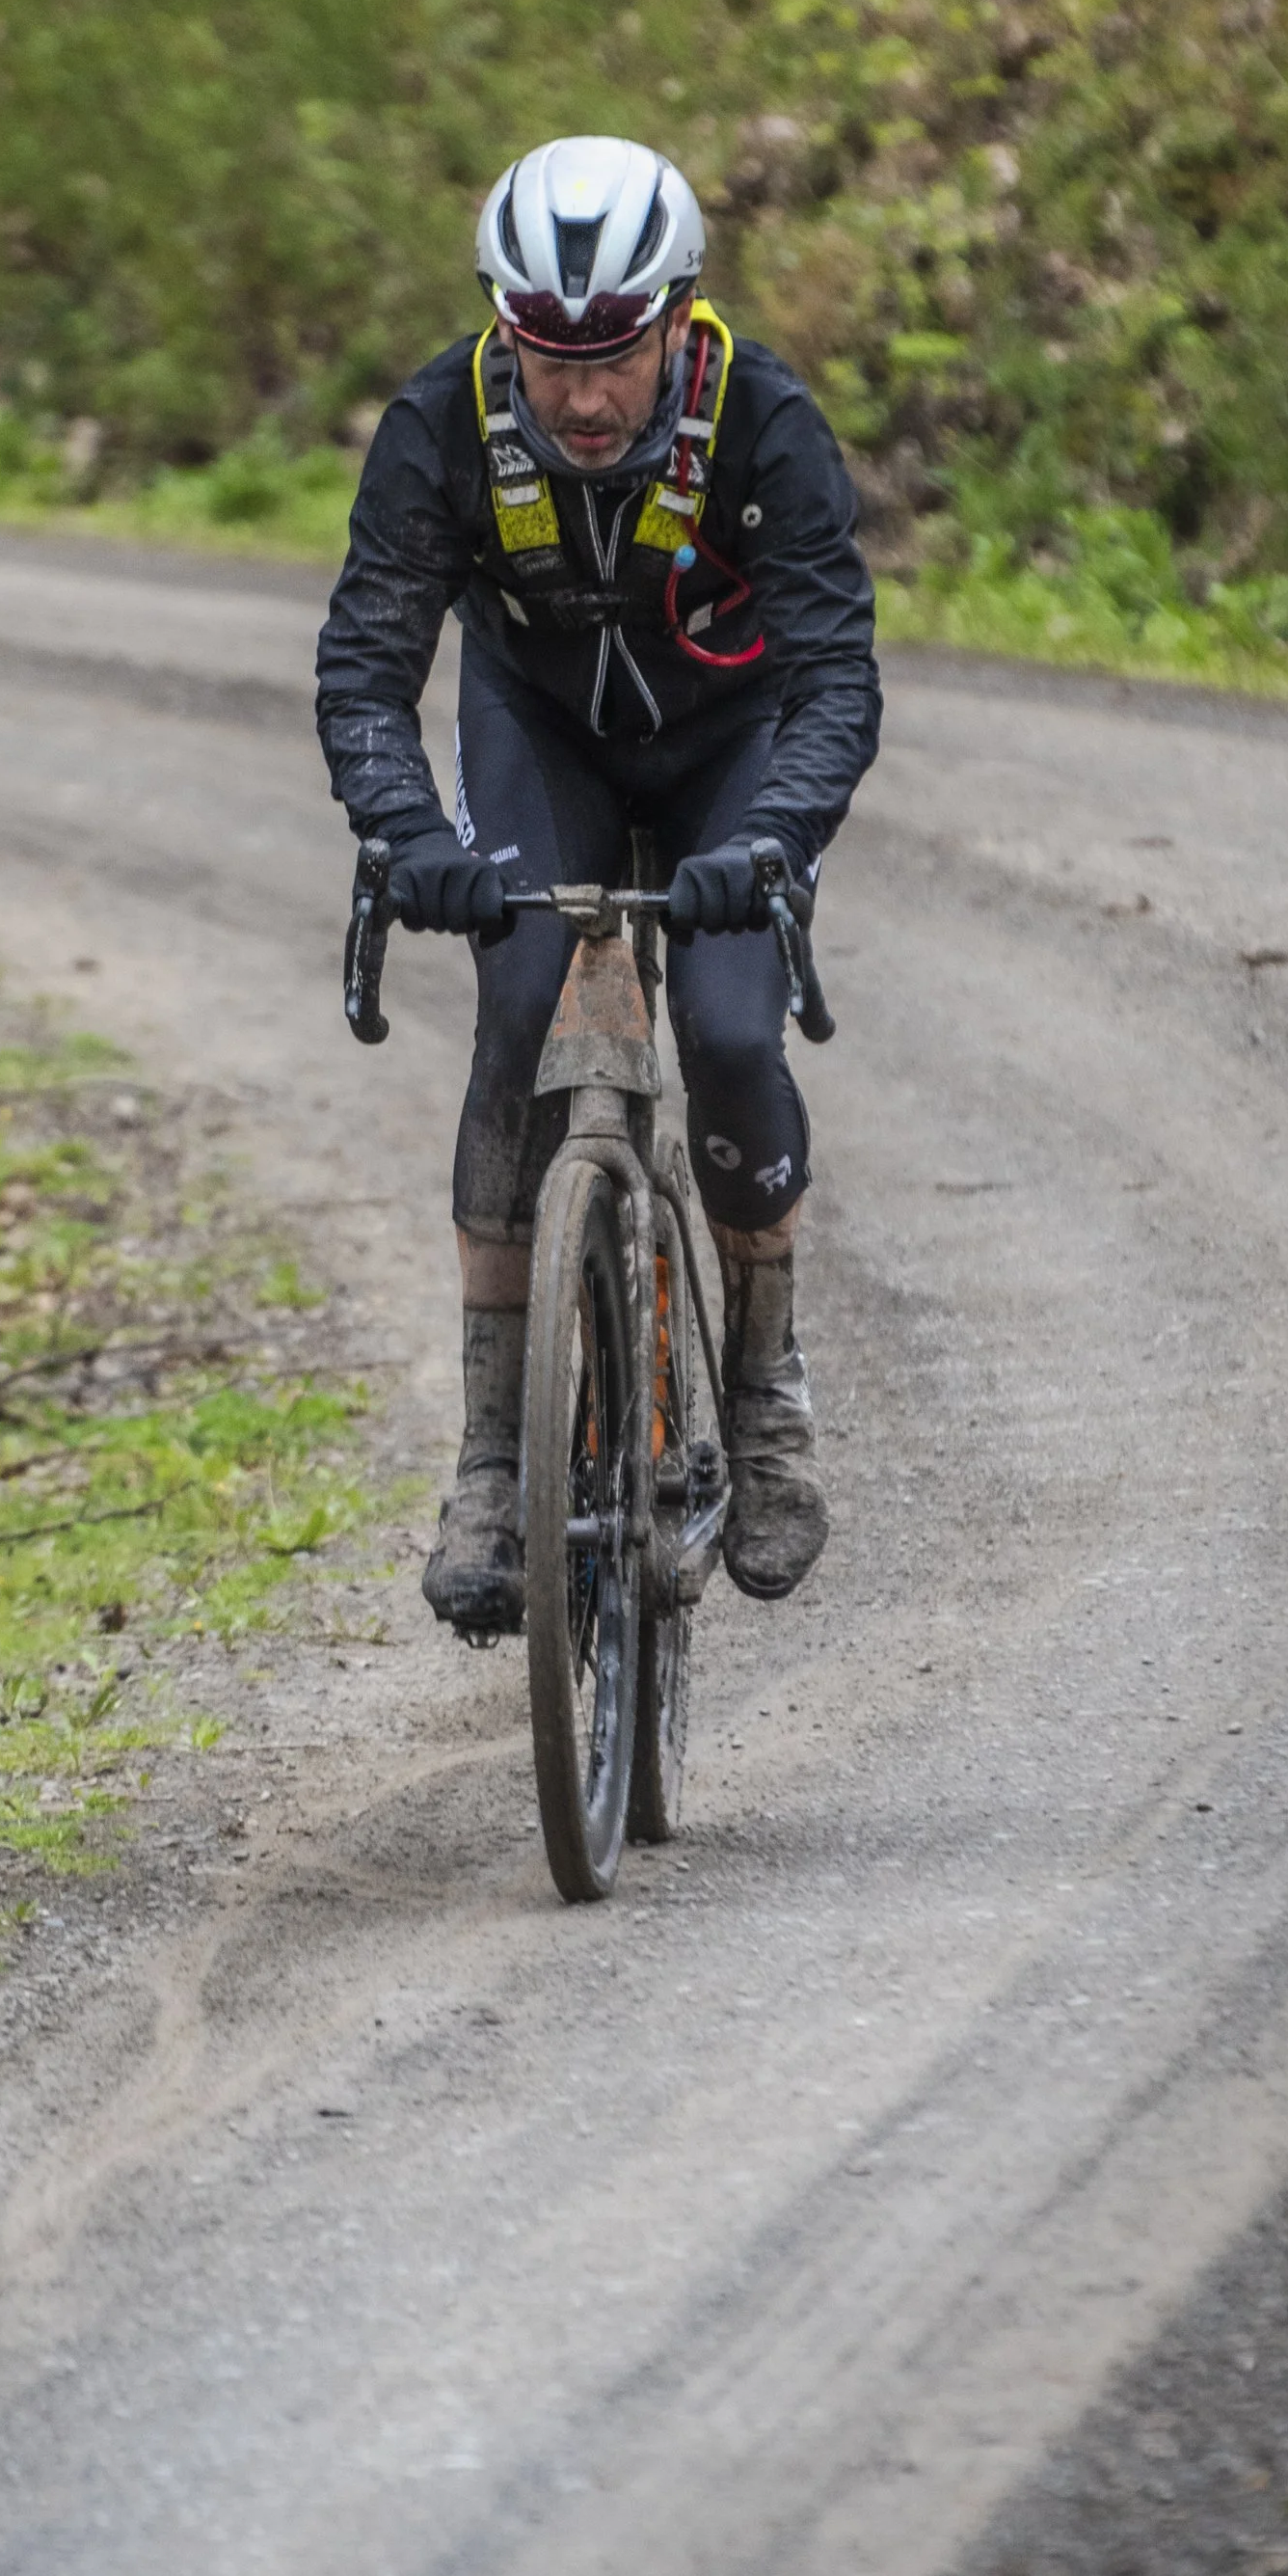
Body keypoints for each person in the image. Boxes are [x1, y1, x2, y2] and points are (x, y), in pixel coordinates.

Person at [314, 132, 881, 1639]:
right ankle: (493, 1463)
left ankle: (762, 1392)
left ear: (676, 319)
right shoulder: (441, 422)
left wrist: (776, 837)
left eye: (613, 354)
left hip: (730, 744)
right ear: (504, 327)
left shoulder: (766, 422)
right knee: (513, 1014)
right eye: (545, 352)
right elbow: (367, 672)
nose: (578, 393)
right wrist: (405, 831)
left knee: (737, 1032)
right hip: (542, 734)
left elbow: (834, 678)